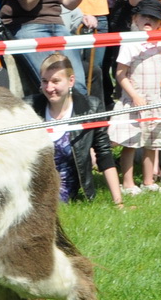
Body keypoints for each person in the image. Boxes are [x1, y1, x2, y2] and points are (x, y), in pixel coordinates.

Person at [107, 0, 161, 194]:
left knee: (152, 142)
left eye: (154, 18)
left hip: (155, 100)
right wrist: (134, 96)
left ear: (159, 24)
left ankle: (149, 181)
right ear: (135, 19)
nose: (149, 21)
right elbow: (120, 74)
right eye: (145, 16)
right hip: (133, 101)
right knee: (131, 142)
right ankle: (128, 183)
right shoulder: (130, 43)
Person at [32, 54, 123, 208]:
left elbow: (104, 153)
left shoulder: (91, 108)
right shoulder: (29, 107)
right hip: (31, 192)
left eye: (55, 81)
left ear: (71, 81)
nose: (49, 88)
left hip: (66, 193)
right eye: (44, 81)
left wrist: (119, 202)